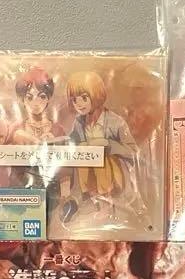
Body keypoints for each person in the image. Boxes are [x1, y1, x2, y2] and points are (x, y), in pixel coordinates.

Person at [59, 71, 138, 223]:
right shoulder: (79, 123)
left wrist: (108, 145)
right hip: (88, 177)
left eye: (84, 98)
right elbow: (71, 146)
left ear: (95, 95)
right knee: (81, 153)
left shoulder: (115, 122)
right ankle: (83, 201)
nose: (79, 104)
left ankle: (106, 205)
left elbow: (133, 152)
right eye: (74, 100)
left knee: (101, 157)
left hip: (114, 175)